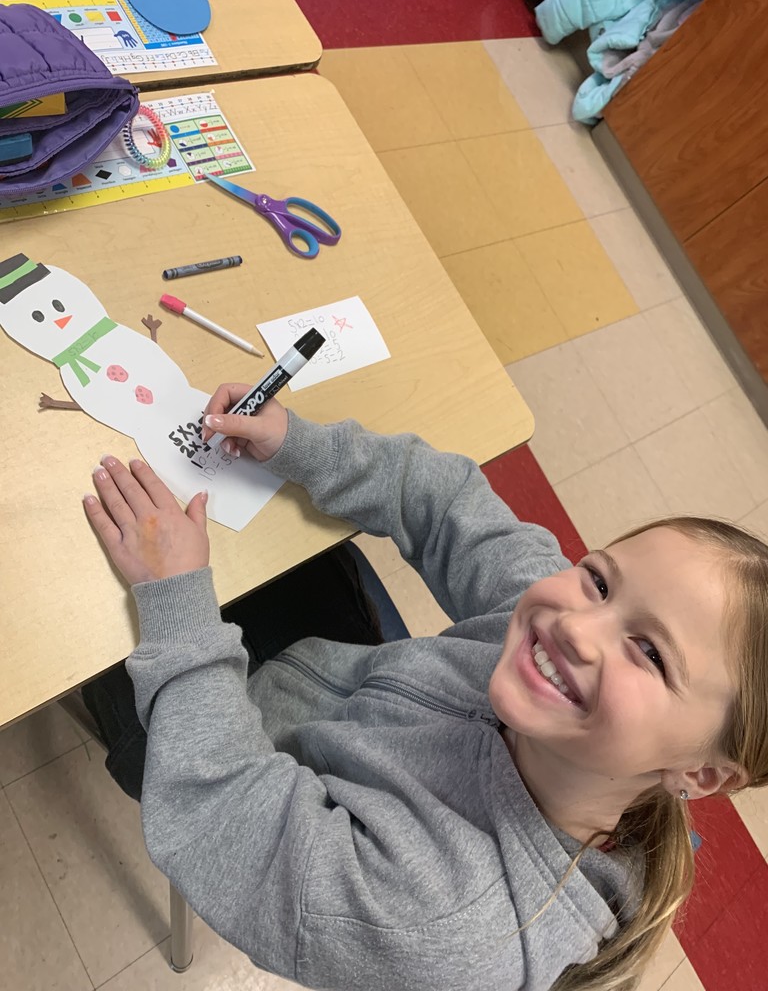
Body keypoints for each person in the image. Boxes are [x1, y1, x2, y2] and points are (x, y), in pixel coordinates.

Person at [81, 384, 768, 991]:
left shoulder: (443, 930)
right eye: (599, 577)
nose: (576, 628)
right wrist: (299, 442)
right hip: (326, 690)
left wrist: (175, 596)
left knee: (79, 626)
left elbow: (225, 816)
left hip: (222, 784)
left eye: (648, 652)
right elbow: (447, 504)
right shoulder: (568, 656)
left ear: (700, 772)